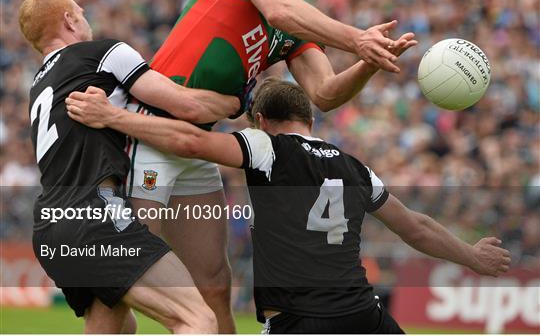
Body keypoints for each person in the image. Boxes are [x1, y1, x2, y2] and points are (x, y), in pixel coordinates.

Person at [129, 0, 417, 332]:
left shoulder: (293, 27)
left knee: (214, 283)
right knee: (125, 271)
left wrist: (370, 61)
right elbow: (279, 8)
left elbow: (324, 93)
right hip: (150, 130)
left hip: (195, 143)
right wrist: (358, 39)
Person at [66, 78, 511, 334]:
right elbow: (415, 227)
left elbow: (191, 141)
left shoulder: (267, 148)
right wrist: (471, 255)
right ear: (311, 120)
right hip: (364, 315)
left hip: (301, 321)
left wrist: (115, 118)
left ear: (261, 121)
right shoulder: (354, 166)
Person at [19, 0, 242, 333]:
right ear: (69, 19)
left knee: (117, 326)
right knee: (197, 319)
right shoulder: (102, 53)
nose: (85, 19)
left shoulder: (38, 88)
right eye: (81, 12)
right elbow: (185, 105)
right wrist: (234, 103)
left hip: (50, 227)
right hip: (95, 216)